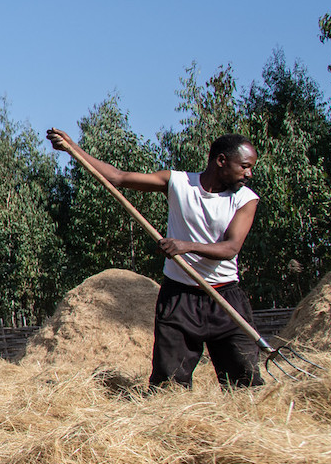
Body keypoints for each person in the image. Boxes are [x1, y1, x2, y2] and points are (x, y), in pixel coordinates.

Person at [47, 129, 263, 389]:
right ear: (221, 161)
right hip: (179, 299)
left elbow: (230, 248)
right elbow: (118, 177)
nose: (249, 174)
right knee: (169, 385)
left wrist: (185, 246)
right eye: (245, 167)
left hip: (225, 298)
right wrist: (73, 149)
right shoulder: (179, 183)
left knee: (245, 384)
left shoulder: (245, 198)